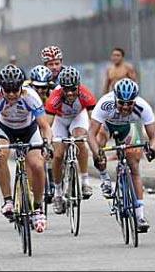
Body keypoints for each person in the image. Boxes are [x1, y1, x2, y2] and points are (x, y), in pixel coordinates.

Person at [0, 64, 52, 233]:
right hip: (5, 129)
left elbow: (44, 126)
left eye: (15, 90)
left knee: (37, 165)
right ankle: (8, 200)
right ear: (2, 89)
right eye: (7, 91)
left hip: (28, 129)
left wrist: (47, 144)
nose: (12, 94)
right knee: (1, 155)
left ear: (21, 87)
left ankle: (37, 208)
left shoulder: (31, 96)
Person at [88, 78, 155, 232]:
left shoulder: (142, 106)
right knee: (99, 144)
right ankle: (105, 177)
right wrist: (96, 153)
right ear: (115, 98)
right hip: (106, 127)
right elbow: (91, 135)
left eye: (129, 103)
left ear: (135, 100)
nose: (125, 107)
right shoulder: (105, 104)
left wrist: (151, 149)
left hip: (129, 128)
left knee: (134, 167)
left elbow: (154, 136)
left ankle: (140, 215)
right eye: (121, 103)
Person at [44, 66, 97, 214]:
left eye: (73, 89)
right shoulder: (54, 97)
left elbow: (95, 120)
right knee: (58, 155)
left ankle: (85, 181)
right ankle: (58, 193)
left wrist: (95, 137)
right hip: (60, 121)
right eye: (66, 89)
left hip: (78, 118)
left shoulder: (86, 94)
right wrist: (46, 142)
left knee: (80, 140)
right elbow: (47, 124)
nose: (70, 93)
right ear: (62, 89)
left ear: (78, 86)